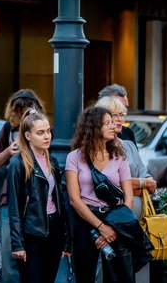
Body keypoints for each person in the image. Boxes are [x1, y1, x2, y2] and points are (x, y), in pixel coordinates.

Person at [65, 106, 152, 283]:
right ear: (94, 127)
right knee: (85, 274)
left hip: (115, 217)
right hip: (85, 220)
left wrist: (113, 227)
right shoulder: (74, 157)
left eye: (113, 122)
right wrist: (100, 227)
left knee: (118, 277)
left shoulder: (119, 156)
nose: (113, 126)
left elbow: (128, 198)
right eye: (108, 123)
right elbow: (74, 199)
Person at [6, 111, 69, 282]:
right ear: (28, 135)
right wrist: (18, 243)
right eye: (40, 133)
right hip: (32, 231)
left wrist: (65, 238)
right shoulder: (17, 164)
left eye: (48, 131)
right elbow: (14, 208)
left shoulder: (52, 162)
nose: (46, 136)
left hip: (54, 230)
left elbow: (59, 202)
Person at [0, 89, 44, 283]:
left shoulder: (43, 129)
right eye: (18, 110)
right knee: (10, 255)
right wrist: (8, 151)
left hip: (38, 197)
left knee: (36, 256)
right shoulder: (8, 129)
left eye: (26, 110)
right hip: (10, 197)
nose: (22, 115)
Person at [95, 95, 155, 215]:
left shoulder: (129, 145)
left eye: (122, 115)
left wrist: (131, 186)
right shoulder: (96, 148)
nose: (119, 119)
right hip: (110, 215)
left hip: (139, 218)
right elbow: (108, 184)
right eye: (114, 115)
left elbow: (151, 183)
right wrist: (141, 184)